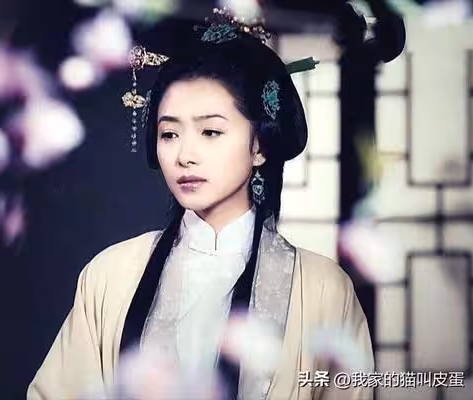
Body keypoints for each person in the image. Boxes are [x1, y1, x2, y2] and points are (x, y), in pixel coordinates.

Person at [28, 8, 374, 400]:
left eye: (210, 131)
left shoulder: (323, 289)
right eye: (169, 134)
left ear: (259, 145)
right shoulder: (110, 275)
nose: (185, 155)